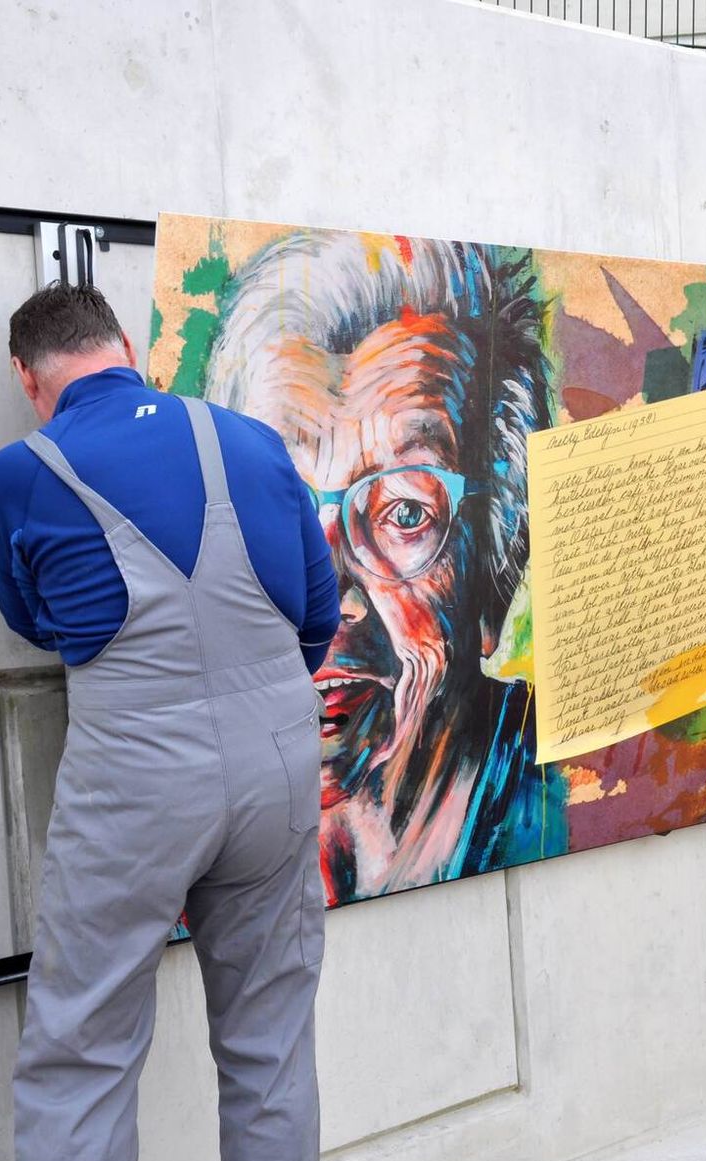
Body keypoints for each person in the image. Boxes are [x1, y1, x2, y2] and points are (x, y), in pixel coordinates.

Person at [0, 282, 339, 1161]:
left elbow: (37, 620)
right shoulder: (249, 442)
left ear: (29, 376)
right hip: (276, 763)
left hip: (134, 773)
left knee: (82, 1060)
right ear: (126, 346)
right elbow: (317, 615)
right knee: (270, 1050)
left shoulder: (19, 470)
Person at [202, 231, 564, 904]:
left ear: (495, 570)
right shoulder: (202, 811)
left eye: (403, 512)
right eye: (275, 505)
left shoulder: (561, 802)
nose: (323, 592)